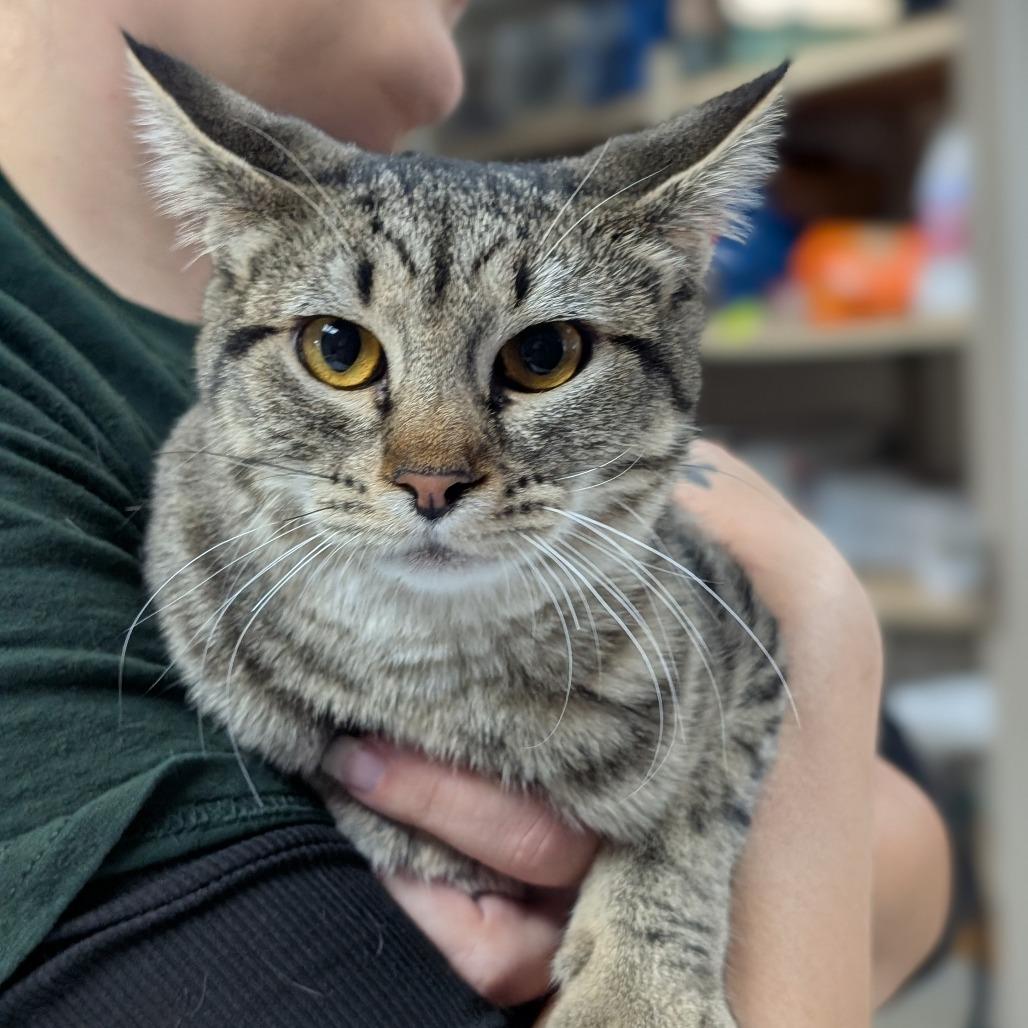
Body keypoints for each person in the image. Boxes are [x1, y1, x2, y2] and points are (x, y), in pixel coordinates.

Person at [0, 2, 951, 1024]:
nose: (432, 468)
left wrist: (669, 895)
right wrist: (821, 828)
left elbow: (937, 860)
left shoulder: (656, 579)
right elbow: (866, 828)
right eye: (341, 349)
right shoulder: (55, 430)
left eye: (539, 356)